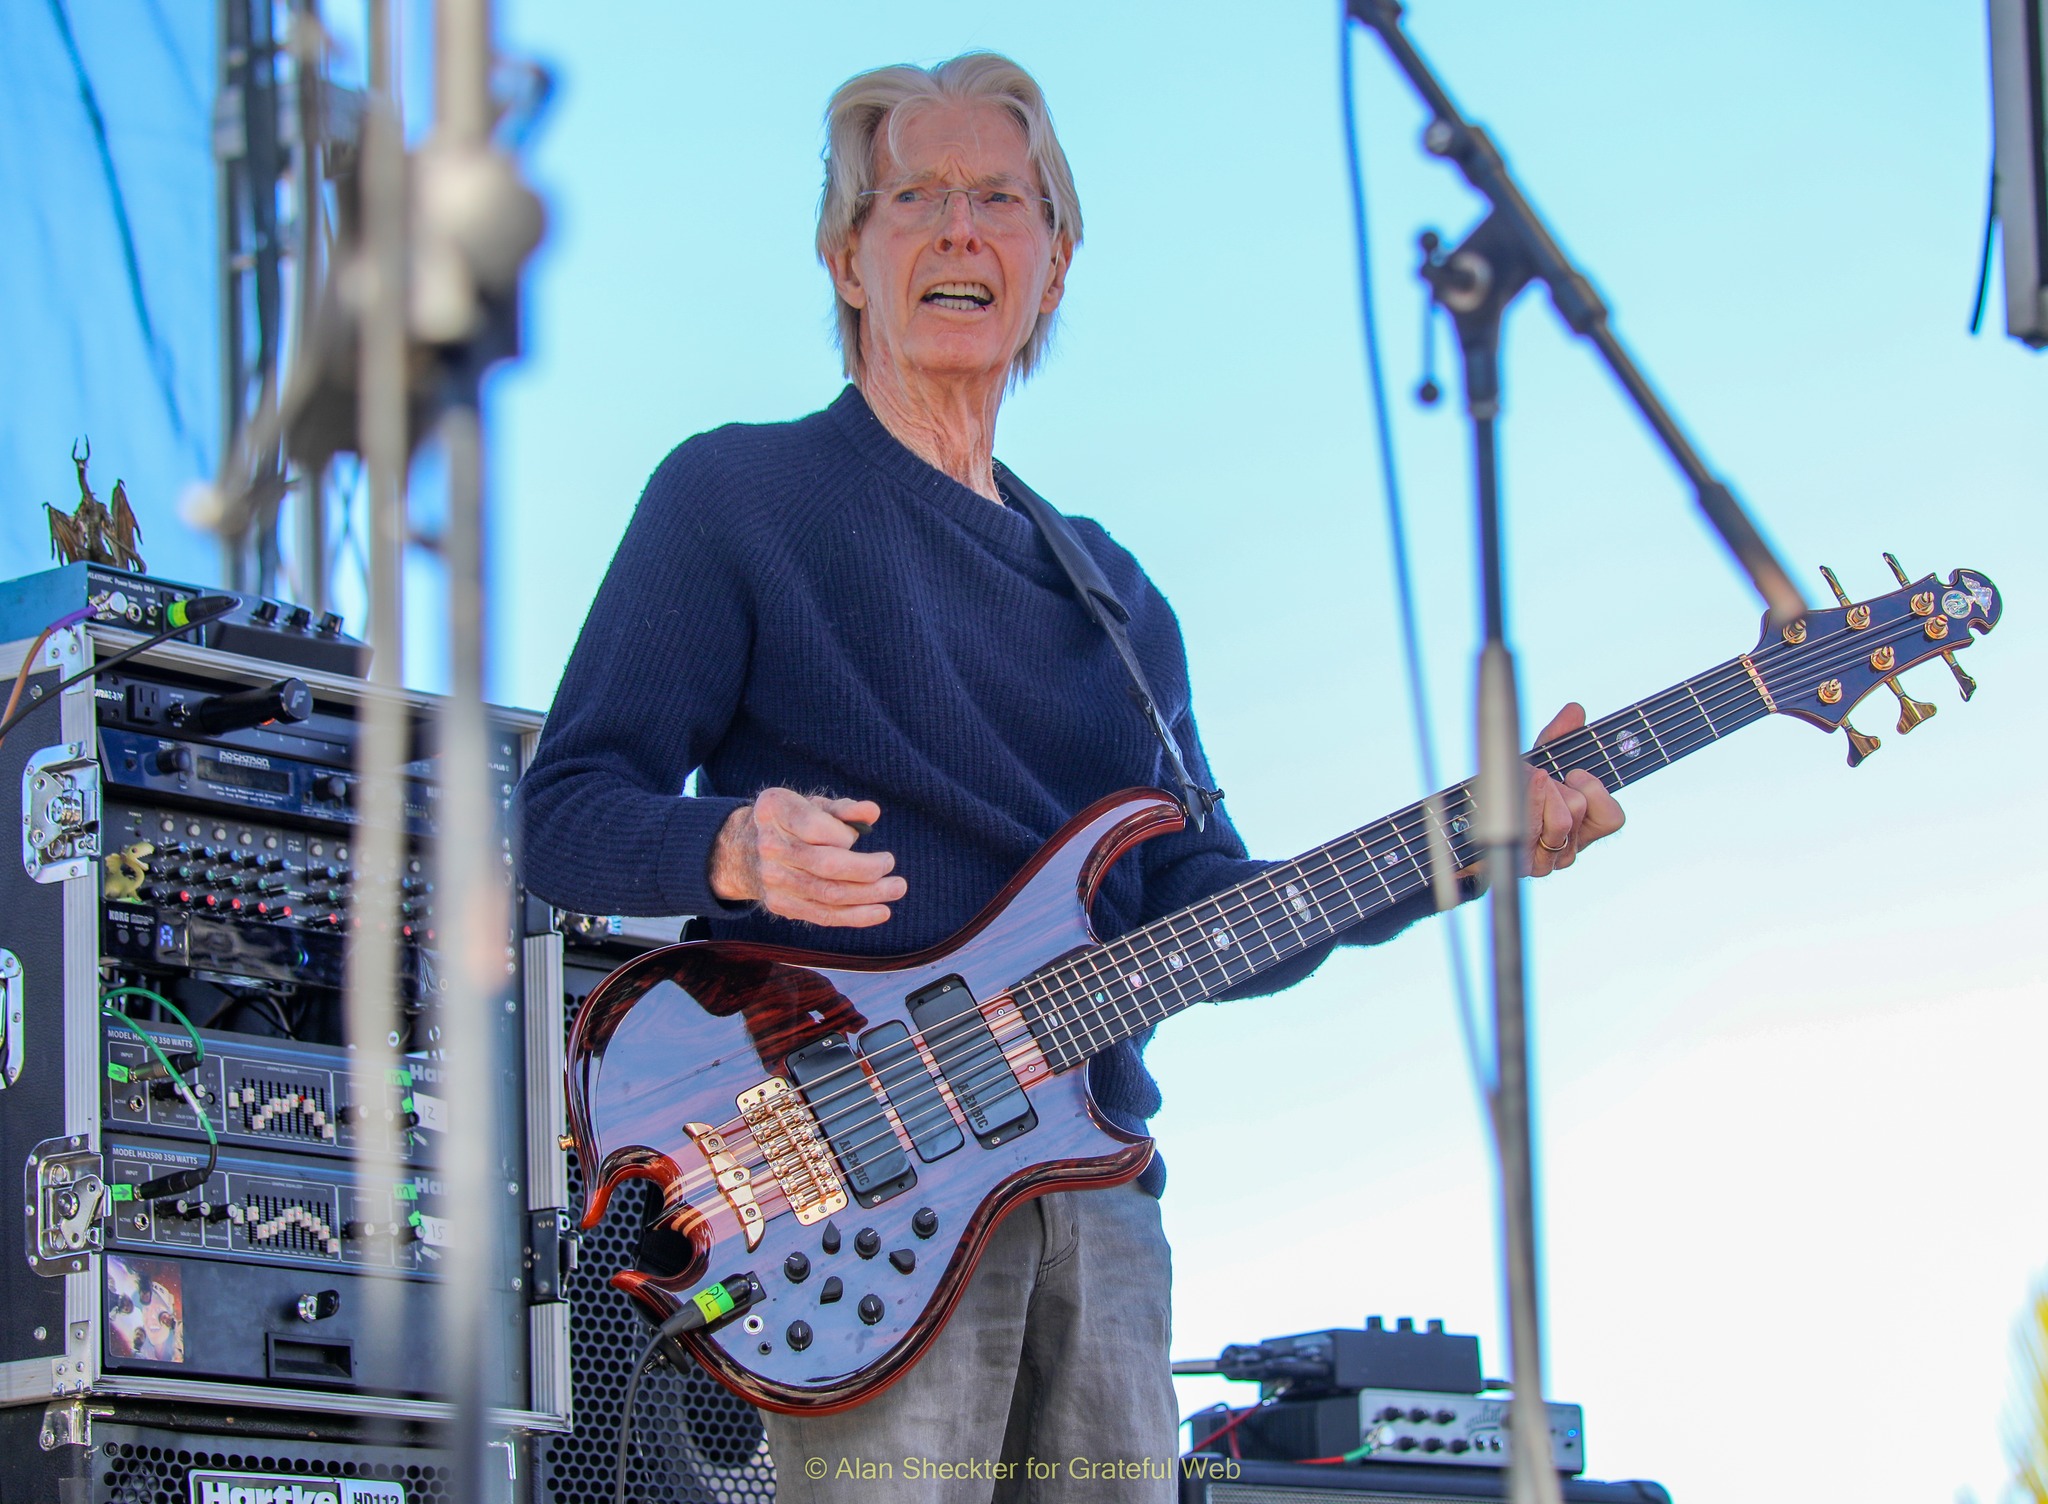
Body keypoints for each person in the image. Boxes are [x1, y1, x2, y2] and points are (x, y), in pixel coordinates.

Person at [515, 51, 1624, 1504]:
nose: (958, 230)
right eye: (913, 196)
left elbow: (1212, 915)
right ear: (850, 259)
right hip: (858, 1192)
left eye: (998, 199)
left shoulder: (1117, 597)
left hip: (1098, 1211)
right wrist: (732, 849)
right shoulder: (737, 499)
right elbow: (561, 819)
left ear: (1055, 262)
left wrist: (1467, 844)